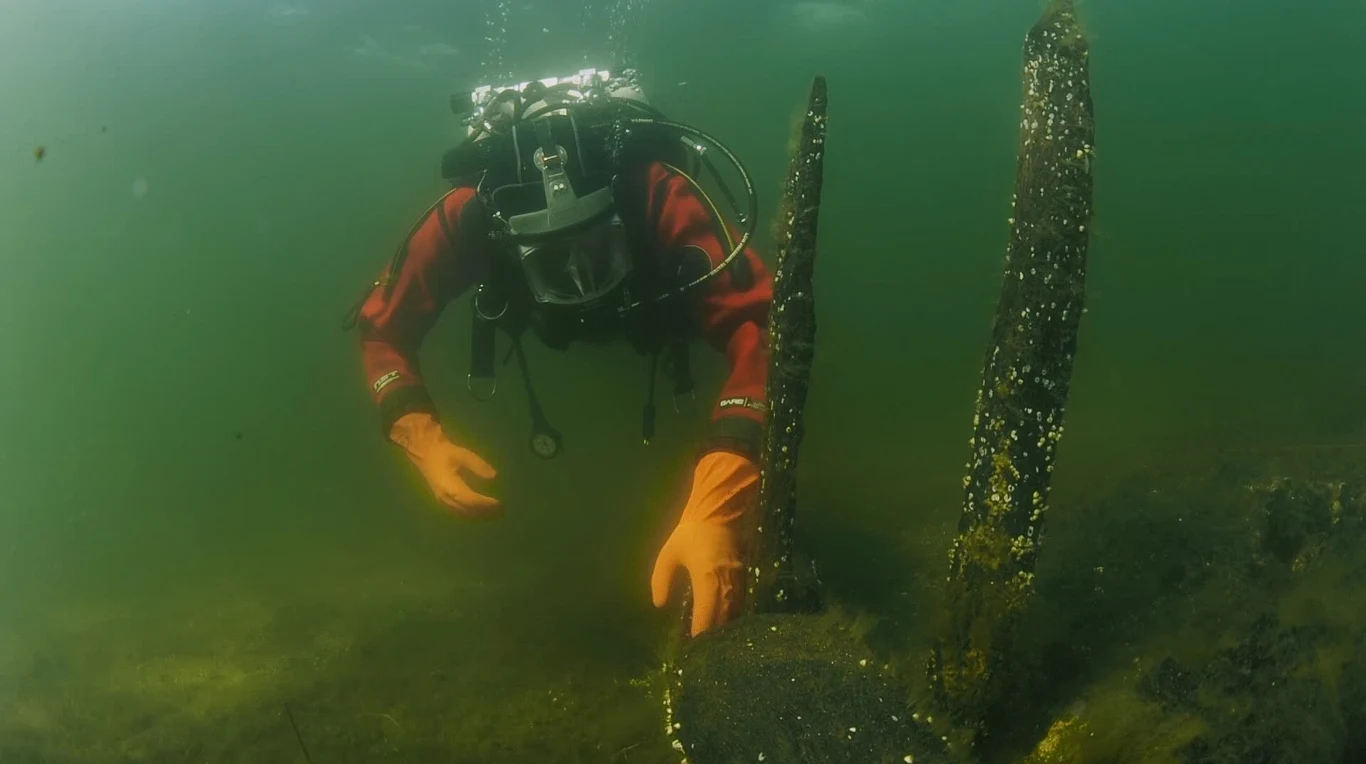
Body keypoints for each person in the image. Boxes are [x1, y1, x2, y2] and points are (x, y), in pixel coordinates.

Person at [345, 69, 772, 636]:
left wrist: (721, 501)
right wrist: (421, 437)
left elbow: (762, 326)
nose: (580, 278)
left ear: (621, 219)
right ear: (508, 240)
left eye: (599, 250)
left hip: (652, 306)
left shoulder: (656, 190)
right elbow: (382, 330)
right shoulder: (470, 217)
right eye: (552, 263)